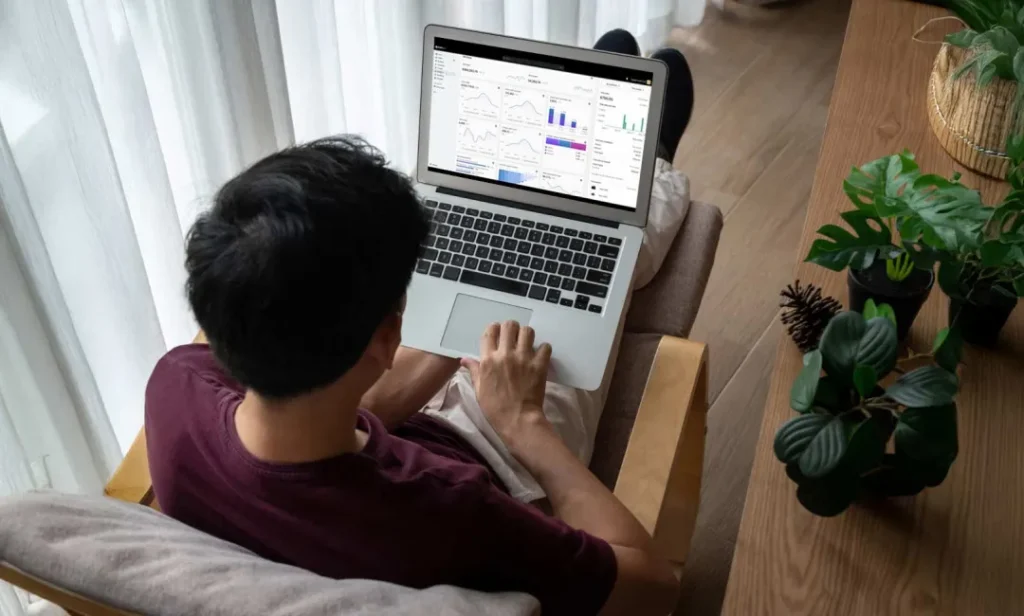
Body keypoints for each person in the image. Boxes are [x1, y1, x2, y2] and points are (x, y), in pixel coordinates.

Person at [146, 30, 694, 616]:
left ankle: (594, 137)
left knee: (502, 246)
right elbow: (651, 587)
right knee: (609, 261)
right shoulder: (453, 514)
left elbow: (323, 429)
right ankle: (649, 161)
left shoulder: (176, 387)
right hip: (493, 449)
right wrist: (524, 423)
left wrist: (443, 343)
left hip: (374, 417)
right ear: (389, 336)